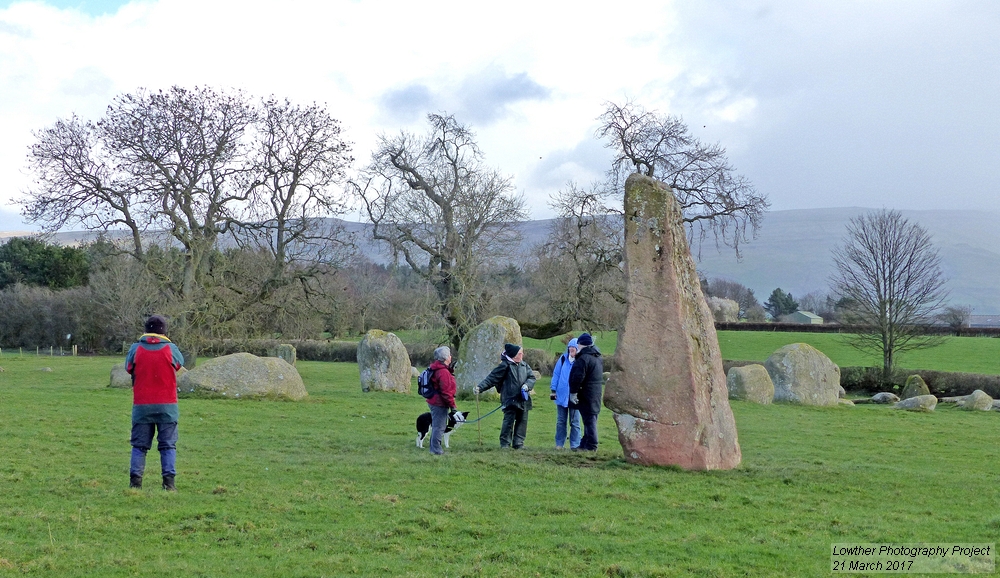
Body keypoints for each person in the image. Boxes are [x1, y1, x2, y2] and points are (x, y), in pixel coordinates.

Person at [126, 315, 184, 490]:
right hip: (167, 406)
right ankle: (169, 484)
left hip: (142, 406)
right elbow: (179, 364)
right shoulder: (171, 349)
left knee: (139, 446)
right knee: (168, 446)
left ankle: (135, 483)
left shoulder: (135, 349)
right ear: (164, 331)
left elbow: (129, 368)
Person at [473, 343, 536, 449]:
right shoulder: (505, 365)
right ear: (514, 355)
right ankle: (505, 444)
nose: (522, 355)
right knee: (508, 421)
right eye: (520, 353)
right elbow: (492, 379)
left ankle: (518, 443)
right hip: (509, 399)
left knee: (522, 421)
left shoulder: (524, 365)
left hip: (523, 399)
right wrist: (480, 388)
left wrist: (527, 385)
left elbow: (531, 378)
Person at [568, 332, 603, 452]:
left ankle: (591, 445)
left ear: (581, 345)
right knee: (591, 418)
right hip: (595, 393)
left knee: (589, 420)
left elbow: (578, 377)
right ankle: (584, 443)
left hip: (586, 393)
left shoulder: (583, 358)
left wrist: (573, 392)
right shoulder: (597, 357)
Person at [425, 346, 458, 455]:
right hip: (439, 402)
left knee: (437, 425)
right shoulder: (442, 372)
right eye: (449, 355)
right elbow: (446, 391)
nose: (450, 356)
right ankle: (436, 450)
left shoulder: (438, 368)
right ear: (445, 358)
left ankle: (434, 448)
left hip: (434, 400)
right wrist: (453, 406)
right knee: (439, 426)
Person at [550, 338, 581, 449]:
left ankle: (575, 445)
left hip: (575, 396)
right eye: (570, 348)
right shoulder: (562, 359)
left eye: (574, 349)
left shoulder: (580, 361)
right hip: (561, 395)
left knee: (575, 422)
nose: (571, 351)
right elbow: (556, 374)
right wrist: (553, 390)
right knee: (561, 421)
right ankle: (559, 444)